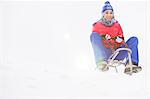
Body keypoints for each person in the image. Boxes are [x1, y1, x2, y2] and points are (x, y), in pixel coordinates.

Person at [90, 1, 142, 74]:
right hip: (106, 52)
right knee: (94, 35)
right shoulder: (97, 25)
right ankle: (101, 62)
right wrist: (104, 38)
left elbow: (122, 39)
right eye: (107, 13)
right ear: (103, 14)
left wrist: (120, 40)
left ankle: (131, 64)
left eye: (111, 13)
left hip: (117, 52)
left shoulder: (117, 25)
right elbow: (96, 39)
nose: (109, 15)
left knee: (134, 39)